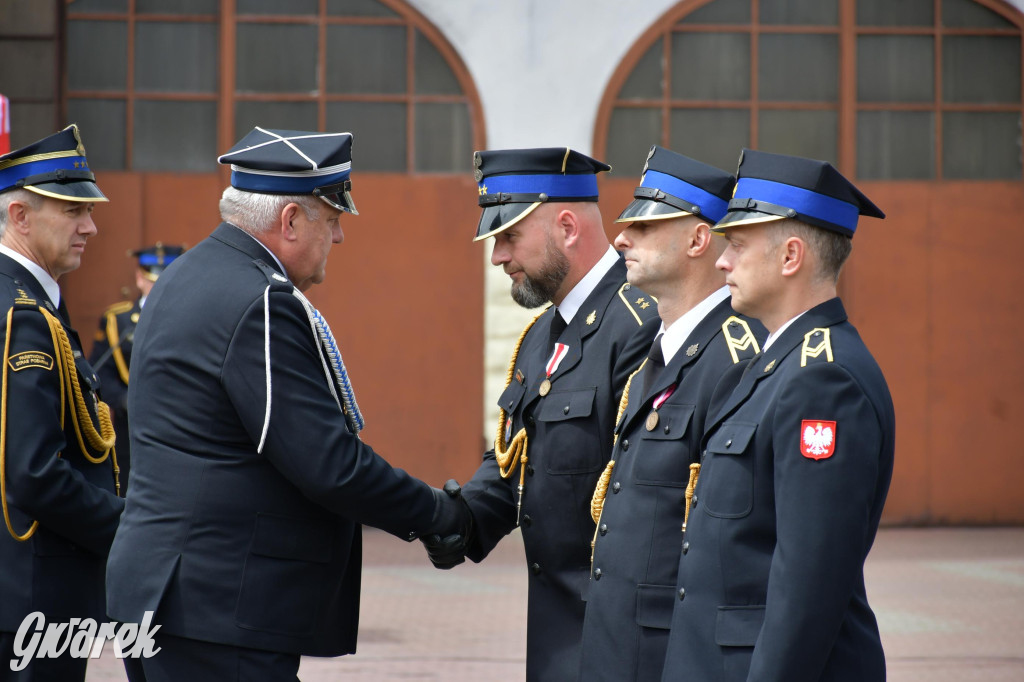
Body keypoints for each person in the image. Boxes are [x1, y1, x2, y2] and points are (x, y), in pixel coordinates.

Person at [105, 127, 472, 681]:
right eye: (333, 219)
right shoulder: (260, 302)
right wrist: (439, 514)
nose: (340, 238)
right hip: (218, 606)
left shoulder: (189, 275)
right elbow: (327, 462)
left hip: (178, 596)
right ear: (291, 221)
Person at [423, 147, 660, 681]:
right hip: (557, 638)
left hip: (616, 637)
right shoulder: (539, 338)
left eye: (508, 238)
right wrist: (456, 518)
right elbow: (516, 457)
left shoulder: (640, 326)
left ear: (568, 227)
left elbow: (645, 496)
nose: (497, 257)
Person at [661, 149, 894, 682]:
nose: (722, 261)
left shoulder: (823, 379)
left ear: (791, 257)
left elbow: (808, 584)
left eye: (738, 245)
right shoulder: (774, 364)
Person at [578, 146, 764, 682]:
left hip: (670, 652)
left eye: (643, 225)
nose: (620, 238)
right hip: (615, 640)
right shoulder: (653, 354)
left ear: (699, 240)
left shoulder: (735, 358)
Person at [0, 124, 123, 680]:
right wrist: (133, 528)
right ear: (20, 217)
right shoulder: (22, 315)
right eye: (72, 211)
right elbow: (33, 474)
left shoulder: (29, 303)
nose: (90, 227)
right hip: (29, 594)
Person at [90, 243, 185, 491]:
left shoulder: (191, 315)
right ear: (140, 278)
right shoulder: (118, 320)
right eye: (154, 281)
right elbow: (100, 370)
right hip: (130, 422)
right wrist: (123, 401)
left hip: (179, 419)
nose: (160, 287)